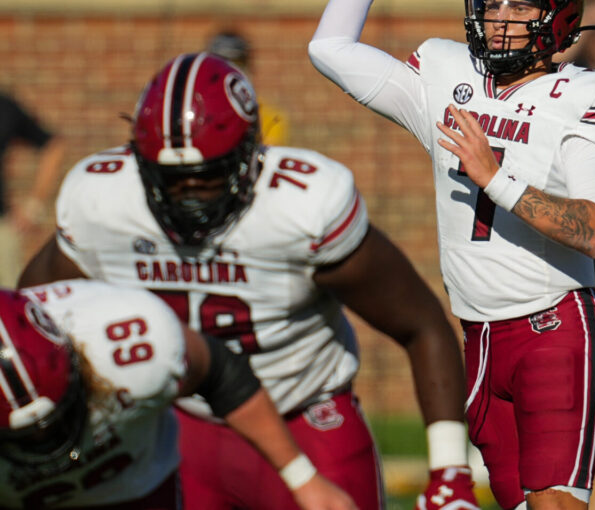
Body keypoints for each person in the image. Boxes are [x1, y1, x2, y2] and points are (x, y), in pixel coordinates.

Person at [18, 53, 477, 510]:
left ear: (250, 154)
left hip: (304, 416)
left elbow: (421, 326)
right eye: (171, 179)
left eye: (207, 177)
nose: (189, 197)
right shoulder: (101, 201)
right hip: (179, 424)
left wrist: (450, 472)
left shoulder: (300, 207)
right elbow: (29, 318)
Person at [307, 0, 595, 510]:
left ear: (559, 15)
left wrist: (496, 178)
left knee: (556, 505)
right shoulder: (445, 71)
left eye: (521, 5)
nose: (501, 19)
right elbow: (330, 48)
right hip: (479, 335)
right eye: (491, 3)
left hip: (554, 327)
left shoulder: (585, 96)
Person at [0, 280, 355, 509]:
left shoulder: (131, 342)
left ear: (76, 357)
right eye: (28, 437)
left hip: (139, 488)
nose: (47, 440)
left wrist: (303, 479)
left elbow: (221, 373)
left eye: (56, 419)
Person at [0, 90, 64, 289]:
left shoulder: (4, 106)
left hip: (1, 228)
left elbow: (53, 146)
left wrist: (33, 206)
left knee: (8, 307)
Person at [206, 28, 290, 145]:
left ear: (248, 68)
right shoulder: (199, 114)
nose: (228, 73)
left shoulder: (269, 117)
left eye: (237, 64)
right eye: (221, 64)